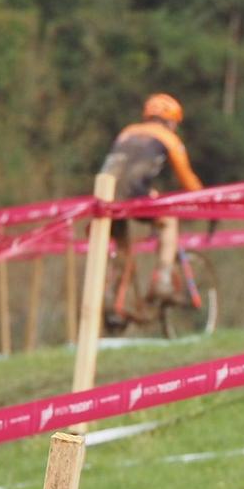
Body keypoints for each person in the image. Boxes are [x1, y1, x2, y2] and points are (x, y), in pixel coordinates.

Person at [99, 93, 203, 328]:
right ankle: (163, 279)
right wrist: (205, 199)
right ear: (172, 121)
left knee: (123, 249)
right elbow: (187, 179)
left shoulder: (127, 132)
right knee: (168, 219)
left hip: (105, 196)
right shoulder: (167, 137)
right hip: (134, 195)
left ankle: (110, 295)